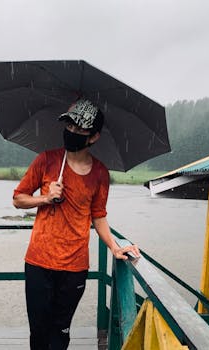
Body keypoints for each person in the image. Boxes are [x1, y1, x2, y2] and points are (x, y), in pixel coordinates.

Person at [13, 99, 140, 350]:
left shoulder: (100, 174)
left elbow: (99, 215)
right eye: (69, 125)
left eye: (80, 129)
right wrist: (46, 197)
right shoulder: (46, 161)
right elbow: (18, 199)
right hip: (39, 261)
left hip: (74, 266)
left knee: (61, 332)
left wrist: (114, 247)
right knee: (38, 332)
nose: (72, 132)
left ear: (93, 137)